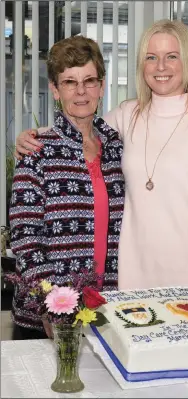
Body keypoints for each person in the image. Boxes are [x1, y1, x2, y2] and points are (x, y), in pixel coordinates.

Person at [14, 19, 188, 320]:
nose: (160, 66)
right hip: (131, 289)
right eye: (151, 57)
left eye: (171, 56)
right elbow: (80, 126)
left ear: (187, 61)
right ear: (141, 65)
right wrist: (34, 137)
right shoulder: (130, 116)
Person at [10, 35, 124, 339]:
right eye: (70, 82)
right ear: (55, 90)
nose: (81, 91)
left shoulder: (118, 148)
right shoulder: (37, 150)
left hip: (108, 310)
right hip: (48, 318)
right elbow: (25, 238)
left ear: (101, 86)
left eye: (89, 80)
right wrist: (55, 303)